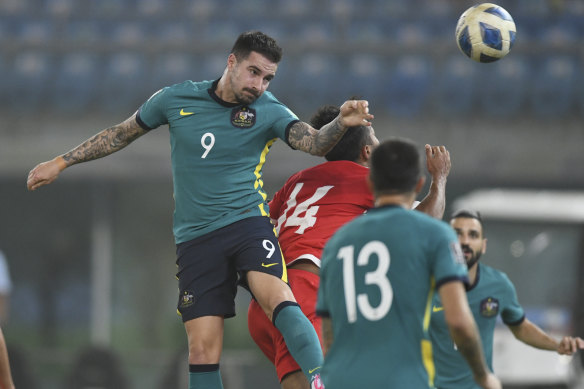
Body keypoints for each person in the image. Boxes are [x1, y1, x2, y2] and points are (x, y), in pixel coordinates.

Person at [26, 30, 374, 389]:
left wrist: (339, 124)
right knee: (202, 350)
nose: (259, 84)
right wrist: (62, 161)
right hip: (197, 238)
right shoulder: (175, 99)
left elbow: (315, 142)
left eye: (268, 77)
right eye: (254, 72)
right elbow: (121, 133)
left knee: (277, 297)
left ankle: (322, 380)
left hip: (247, 223)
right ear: (232, 62)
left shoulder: (269, 110)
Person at [247, 103, 451, 389]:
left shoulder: (296, 182)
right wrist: (439, 181)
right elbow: (424, 224)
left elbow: (255, 225)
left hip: (267, 301)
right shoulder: (368, 181)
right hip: (307, 293)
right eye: (376, 139)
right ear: (367, 152)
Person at [315, 138, 501, 389]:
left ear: (370, 183)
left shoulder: (336, 244)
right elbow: (458, 321)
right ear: (419, 184)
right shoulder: (436, 235)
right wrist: (483, 376)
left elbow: (329, 332)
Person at [430, 209, 584, 389]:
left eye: (473, 235)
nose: (465, 241)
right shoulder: (427, 284)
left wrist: (556, 345)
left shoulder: (498, 284)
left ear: (483, 245)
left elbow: (521, 327)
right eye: (457, 234)